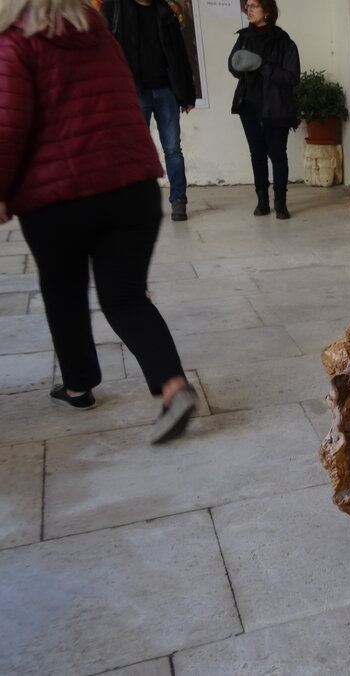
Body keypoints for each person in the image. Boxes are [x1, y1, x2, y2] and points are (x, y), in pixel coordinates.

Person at [0, 0, 197, 443]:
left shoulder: (16, 42)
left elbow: (7, 126)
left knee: (64, 293)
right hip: (131, 187)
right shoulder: (100, 34)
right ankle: (174, 386)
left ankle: (78, 386)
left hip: (57, 197)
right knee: (126, 297)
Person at [99, 0, 196, 221]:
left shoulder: (165, 10)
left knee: (173, 149)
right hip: (135, 92)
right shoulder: (115, 8)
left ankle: (179, 201)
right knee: (133, 151)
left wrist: (187, 94)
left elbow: (180, 53)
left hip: (166, 91)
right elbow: (103, 52)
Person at [228, 0, 299, 219]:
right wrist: (241, 63)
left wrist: (262, 65)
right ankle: (262, 201)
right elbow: (233, 67)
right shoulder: (244, 38)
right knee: (257, 154)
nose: (248, 10)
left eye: (254, 5)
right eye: (247, 5)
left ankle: (281, 203)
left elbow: (291, 77)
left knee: (277, 154)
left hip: (276, 108)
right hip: (248, 105)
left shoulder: (283, 41)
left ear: (267, 11)